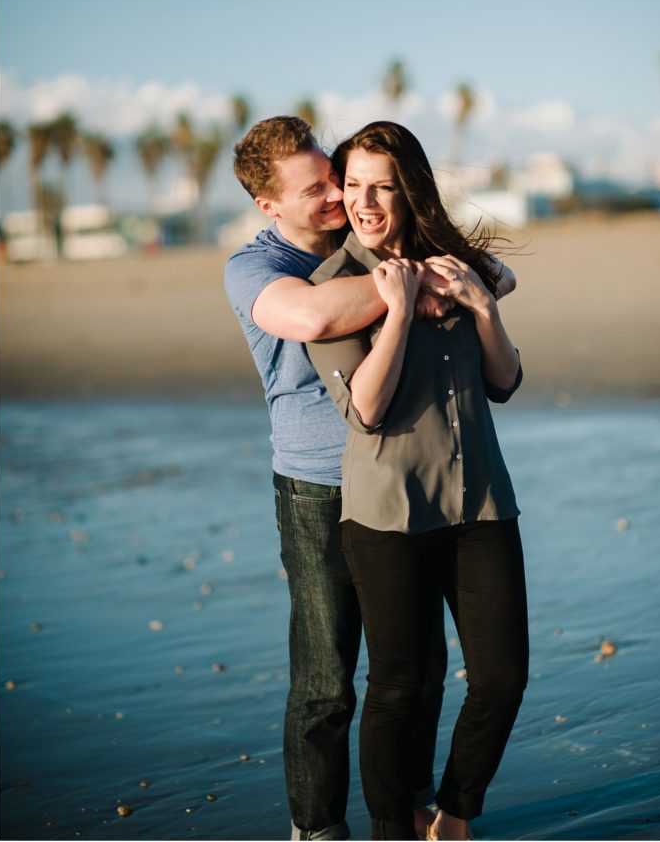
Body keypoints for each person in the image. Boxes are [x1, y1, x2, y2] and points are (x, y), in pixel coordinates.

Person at [224, 116, 517, 841]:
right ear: (270, 205)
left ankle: (413, 809)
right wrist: (413, 288)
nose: (337, 195)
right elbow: (317, 317)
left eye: (340, 178)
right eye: (320, 187)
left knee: (416, 671)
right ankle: (318, 827)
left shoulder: (375, 241)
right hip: (320, 488)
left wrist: (452, 274)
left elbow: (498, 277)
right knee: (329, 681)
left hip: (413, 483)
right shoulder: (261, 268)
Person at [306, 121, 528, 842]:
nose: (365, 202)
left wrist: (483, 306)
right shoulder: (330, 289)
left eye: (383, 186)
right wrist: (398, 311)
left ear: (411, 189)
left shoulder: (454, 265)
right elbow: (365, 409)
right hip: (387, 519)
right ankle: (392, 829)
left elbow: (505, 381)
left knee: (502, 678)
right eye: (353, 186)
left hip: (481, 503)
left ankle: (455, 814)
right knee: (401, 688)